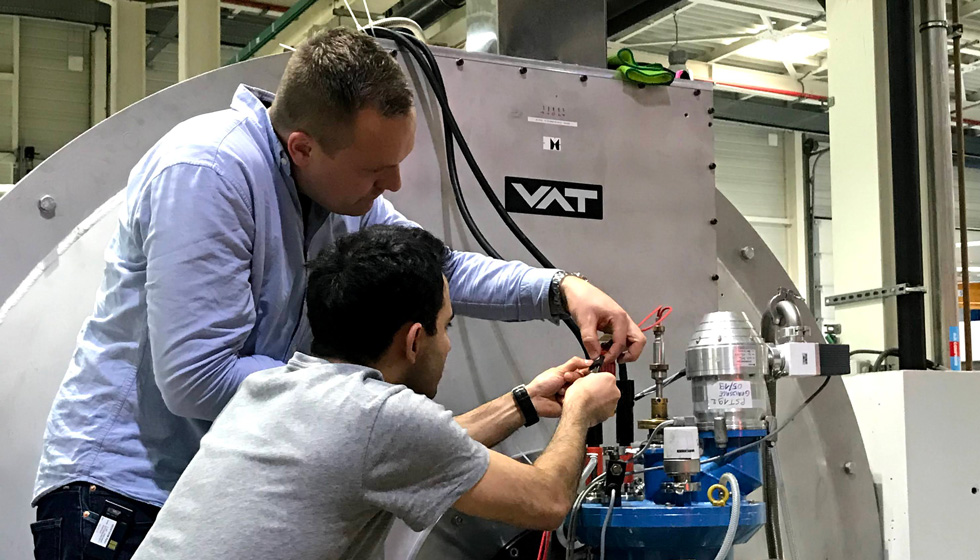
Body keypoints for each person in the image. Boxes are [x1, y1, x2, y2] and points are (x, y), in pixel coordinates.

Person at [30, 28, 644, 559]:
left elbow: (432, 271)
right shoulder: (206, 172)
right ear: (303, 147)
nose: (392, 185)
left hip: (201, 482)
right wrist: (578, 412)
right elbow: (197, 378)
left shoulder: (340, 200)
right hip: (117, 494)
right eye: (376, 171)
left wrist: (561, 290)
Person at [131, 225, 621, 560]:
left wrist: (524, 403)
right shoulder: (382, 419)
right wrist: (579, 410)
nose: (447, 344)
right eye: (446, 327)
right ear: (413, 340)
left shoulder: (275, 387)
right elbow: (549, 501)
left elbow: (416, 450)